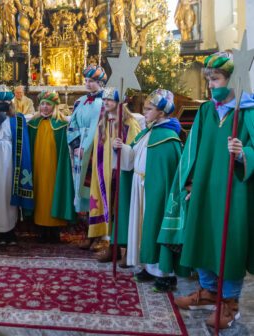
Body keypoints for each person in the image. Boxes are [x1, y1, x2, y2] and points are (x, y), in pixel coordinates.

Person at [159, 51, 254, 329]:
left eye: (216, 79)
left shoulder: (247, 111)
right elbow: (192, 150)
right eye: (209, 79)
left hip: (234, 191)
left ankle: (230, 302)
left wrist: (242, 153)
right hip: (204, 188)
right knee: (200, 236)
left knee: (230, 243)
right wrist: (188, 183)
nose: (210, 85)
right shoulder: (206, 110)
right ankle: (210, 291)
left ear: (233, 79)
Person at [113, 89, 184, 292]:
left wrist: (156, 189)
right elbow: (134, 157)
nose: (145, 112)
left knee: (154, 226)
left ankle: (163, 274)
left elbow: (168, 172)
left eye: (149, 109)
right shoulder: (148, 132)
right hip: (139, 186)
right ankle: (147, 266)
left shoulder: (169, 138)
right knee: (142, 227)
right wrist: (121, 148)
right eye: (144, 109)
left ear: (161, 112)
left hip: (155, 192)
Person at [88, 87, 141, 261]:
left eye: (110, 100)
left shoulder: (129, 124)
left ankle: (121, 248)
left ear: (120, 102)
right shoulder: (103, 121)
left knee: (120, 209)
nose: (106, 103)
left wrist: (122, 147)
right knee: (109, 208)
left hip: (121, 173)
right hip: (104, 173)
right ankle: (111, 245)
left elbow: (135, 148)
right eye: (104, 100)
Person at [0, 85, 34, 245]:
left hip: (11, 159)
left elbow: (23, 142)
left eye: (5, 100)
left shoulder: (18, 117)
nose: (2, 103)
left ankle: (10, 231)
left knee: (9, 193)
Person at [67, 64, 106, 250]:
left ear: (100, 82)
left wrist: (86, 148)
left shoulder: (105, 101)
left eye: (91, 81)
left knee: (95, 191)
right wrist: (75, 145)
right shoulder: (81, 101)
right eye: (86, 81)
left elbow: (96, 129)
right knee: (81, 191)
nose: (88, 84)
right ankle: (88, 233)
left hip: (95, 150)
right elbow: (72, 123)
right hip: (79, 151)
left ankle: (98, 235)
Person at [28, 91, 75, 243]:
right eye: (42, 104)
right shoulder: (32, 124)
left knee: (53, 193)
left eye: (48, 104)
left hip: (55, 168)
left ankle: (54, 230)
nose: (44, 107)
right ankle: (41, 230)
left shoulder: (61, 125)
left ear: (54, 106)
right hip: (37, 167)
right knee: (40, 193)